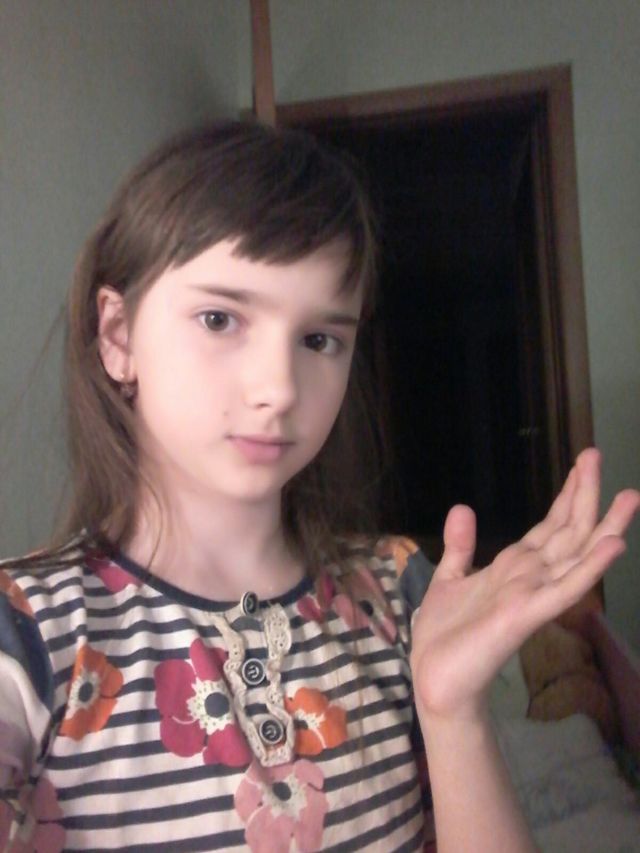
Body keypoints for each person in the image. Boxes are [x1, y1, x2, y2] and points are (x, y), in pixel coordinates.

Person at [0, 121, 637, 853]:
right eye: (220, 319)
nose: (279, 388)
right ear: (118, 336)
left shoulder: (400, 593)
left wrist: (452, 712)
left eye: (319, 339)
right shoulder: (26, 634)